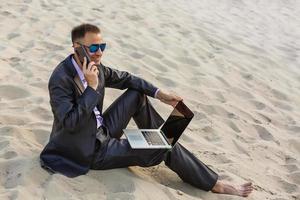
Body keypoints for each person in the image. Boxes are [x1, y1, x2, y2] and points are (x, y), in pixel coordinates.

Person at [40, 23, 253, 197]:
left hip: (101, 129)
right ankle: (214, 184)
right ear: (76, 47)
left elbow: (127, 78)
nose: (100, 53)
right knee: (163, 144)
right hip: (87, 150)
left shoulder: (95, 67)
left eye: (102, 46)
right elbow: (69, 123)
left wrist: (159, 94)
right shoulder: (61, 79)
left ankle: (158, 137)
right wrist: (92, 88)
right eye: (94, 48)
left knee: (136, 94)